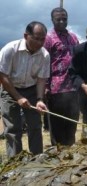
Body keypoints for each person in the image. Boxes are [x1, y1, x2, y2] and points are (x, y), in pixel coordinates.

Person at [0, 21, 50, 157]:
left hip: (32, 90)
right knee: (13, 128)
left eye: (43, 39)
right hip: (10, 89)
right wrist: (18, 97)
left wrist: (39, 99)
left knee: (35, 126)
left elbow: (41, 79)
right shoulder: (10, 49)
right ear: (26, 35)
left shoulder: (44, 55)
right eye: (36, 38)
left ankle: (38, 158)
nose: (40, 42)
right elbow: (3, 76)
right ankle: (15, 162)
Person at [43, 7, 80, 146]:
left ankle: (70, 151)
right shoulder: (48, 39)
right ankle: (58, 154)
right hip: (55, 89)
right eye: (58, 19)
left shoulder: (73, 37)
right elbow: (44, 63)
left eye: (64, 18)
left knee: (72, 123)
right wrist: (45, 86)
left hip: (73, 87)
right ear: (52, 20)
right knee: (57, 125)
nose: (61, 21)